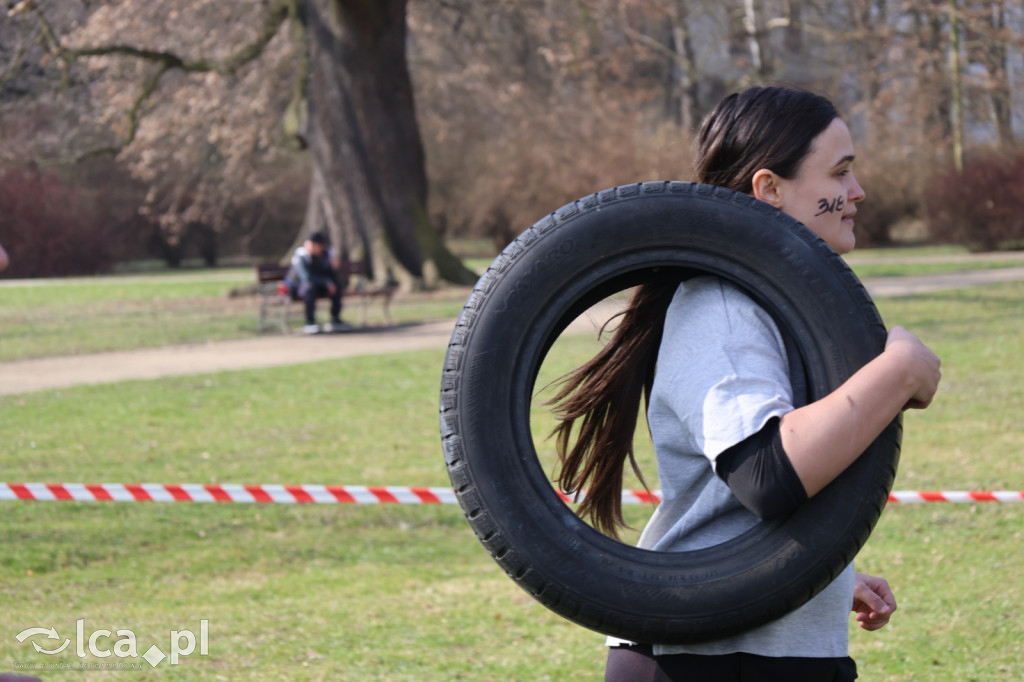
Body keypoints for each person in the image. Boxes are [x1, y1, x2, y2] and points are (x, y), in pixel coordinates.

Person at [548, 86, 942, 681]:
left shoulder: (765, 308)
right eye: (840, 172)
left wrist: (821, 580)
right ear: (770, 189)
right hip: (699, 660)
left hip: (756, 647)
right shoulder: (723, 307)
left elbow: (741, 501)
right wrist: (900, 369)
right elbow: (766, 472)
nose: (857, 192)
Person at [287, 230, 351, 334]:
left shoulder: (326, 255)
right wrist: (326, 282)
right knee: (309, 288)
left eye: (314, 245)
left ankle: (335, 320)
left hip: (318, 287)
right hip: (298, 288)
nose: (311, 247)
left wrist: (334, 269)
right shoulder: (300, 256)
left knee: (337, 286)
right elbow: (306, 277)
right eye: (309, 244)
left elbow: (331, 274)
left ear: (321, 246)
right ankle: (310, 322)